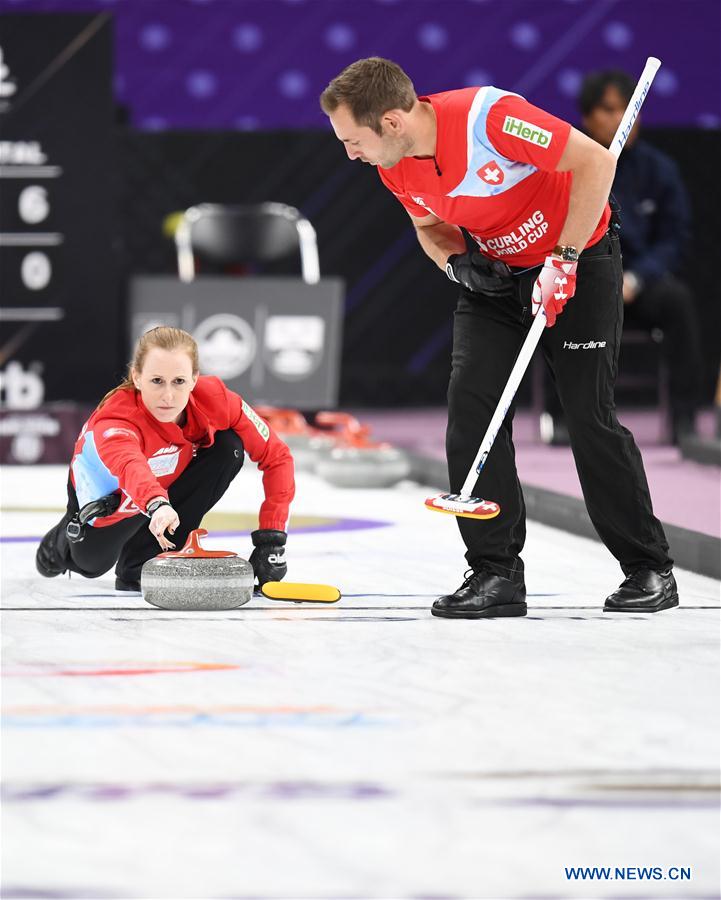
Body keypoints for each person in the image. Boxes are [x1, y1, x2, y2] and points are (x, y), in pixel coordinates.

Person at [320, 57, 677, 618]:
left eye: (352, 139)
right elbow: (429, 228)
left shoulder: (491, 119)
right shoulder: (392, 167)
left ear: (391, 121)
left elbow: (596, 165)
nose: (349, 153)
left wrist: (564, 258)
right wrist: (457, 267)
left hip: (578, 261)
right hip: (495, 277)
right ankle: (496, 574)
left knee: (588, 415)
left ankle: (648, 568)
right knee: (472, 413)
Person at [36, 326, 294, 591]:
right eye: (157, 381)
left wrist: (272, 540)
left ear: (194, 379)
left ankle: (142, 565)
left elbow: (278, 456)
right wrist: (157, 505)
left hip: (162, 498)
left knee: (228, 448)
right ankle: (59, 544)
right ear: (137, 377)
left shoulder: (217, 400)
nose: (168, 397)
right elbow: (130, 466)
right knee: (91, 565)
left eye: (179, 381)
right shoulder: (115, 420)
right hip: (112, 504)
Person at [580, 69, 702, 443]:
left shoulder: (660, 170)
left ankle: (685, 420)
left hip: (639, 285)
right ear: (587, 118)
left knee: (678, 302)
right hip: (588, 281)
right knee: (553, 304)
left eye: (629, 109)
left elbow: (673, 239)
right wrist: (603, 279)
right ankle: (566, 417)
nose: (621, 119)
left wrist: (635, 279)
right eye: (609, 109)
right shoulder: (571, 166)